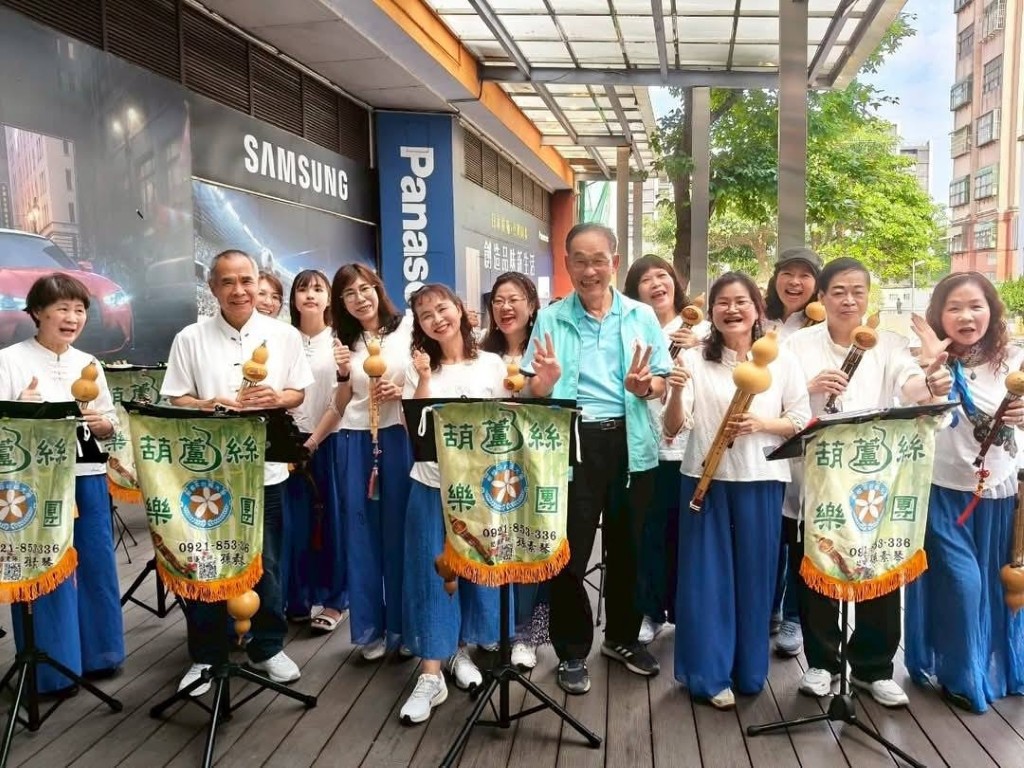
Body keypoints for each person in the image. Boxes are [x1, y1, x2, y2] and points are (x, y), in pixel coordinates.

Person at [782, 257, 951, 708]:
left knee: (879, 563)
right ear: (821, 297)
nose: (849, 300)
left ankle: (873, 668)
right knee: (818, 566)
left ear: (868, 296)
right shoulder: (798, 345)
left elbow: (913, 388)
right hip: (818, 482)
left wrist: (933, 379)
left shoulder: (888, 344)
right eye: (838, 291)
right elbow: (783, 399)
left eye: (858, 291)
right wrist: (809, 386)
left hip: (873, 483)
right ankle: (822, 663)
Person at [523, 223, 670, 696]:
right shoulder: (551, 318)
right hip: (572, 442)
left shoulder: (641, 315)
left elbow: (661, 381)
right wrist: (542, 384)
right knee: (569, 551)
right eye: (580, 261)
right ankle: (571, 650)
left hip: (631, 441)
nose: (590, 270)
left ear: (615, 262)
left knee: (629, 548)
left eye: (598, 260)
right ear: (567, 264)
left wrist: (645, 387)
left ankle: (622, 638)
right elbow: (531, 388)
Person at [162, 249, 313, 696]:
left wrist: (277, 398)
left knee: (268, 562)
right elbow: (176, 397)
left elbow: (298, 393)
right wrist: (207, 404)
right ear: (212, 288)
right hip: (207, 477)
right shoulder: (189, 337)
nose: (239, 290)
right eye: (227, 282)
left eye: (246, 280)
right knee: (203, 561)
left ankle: (268, 646)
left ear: (258, 282)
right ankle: (206, 654)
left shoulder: (284, 335)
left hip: (266, 471)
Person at [663, 272, 810, 710]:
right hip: (704, 481)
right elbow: (673, 428)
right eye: (722, 302)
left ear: (757, 309)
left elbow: (799, 419)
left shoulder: (781, 360)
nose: (732, 309)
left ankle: (748, 669)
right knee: (706, 580)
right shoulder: (694, 360)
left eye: (741, 301)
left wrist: (761, 424)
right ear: (711, 312)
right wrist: (674, 392)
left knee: (755, 577)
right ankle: (708, 675)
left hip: (761, 480)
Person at [0, 273, 125, 694]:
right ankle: (53, 669)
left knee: (95, 563)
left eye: (80, 310)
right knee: (45, 567)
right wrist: (18, 408)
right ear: (37, 312)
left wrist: (104, 424)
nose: (73, 318)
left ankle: (101, 655)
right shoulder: (9, 360)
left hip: (86, 474)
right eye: (62, 309)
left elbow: (110, 423)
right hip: (34, 484)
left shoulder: (89, 362)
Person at [905, 272, 1024, 712]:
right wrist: (930, 369)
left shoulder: (1013, 360)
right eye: (953, 308)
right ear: (939, 316)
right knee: (963, 585)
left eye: (975, 306)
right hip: (942, 492)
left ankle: (986, 668)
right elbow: (912, 400)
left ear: (992, 311)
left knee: (995, 587)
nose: (966, 316)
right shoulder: (923, 361)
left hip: (999, 494)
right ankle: (962, 677)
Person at [398, 284, 511, 724]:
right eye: (425, 315)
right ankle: (430, 674)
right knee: (433, 574)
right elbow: (414, 430)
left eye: (441, 308)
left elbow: (508, 420)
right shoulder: (417, 367)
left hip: (480, 489)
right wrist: (425, 377)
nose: (436, 319)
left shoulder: (493, 363)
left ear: (460, 310)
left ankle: (458, 652)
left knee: (475, 569)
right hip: (431, 485)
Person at [622, 255, 706, 646]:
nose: (657, 284)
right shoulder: (631, 328)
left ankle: (688, 610)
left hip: (693, 448)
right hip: (646, 447)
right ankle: (652, 611)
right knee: (650, 533)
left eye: (663, 276)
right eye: (646, 280)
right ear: (634, 291)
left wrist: (700, 344)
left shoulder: (702, 330)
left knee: (689, 536)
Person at [332, 264, 413, 660]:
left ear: (379, 289)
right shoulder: (344, 342)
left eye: (365, 289)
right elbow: (339, 404)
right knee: (361, 534)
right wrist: (342, 373)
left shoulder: (407, 328)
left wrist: (402, 391)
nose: (359, 298)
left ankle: (402, 626)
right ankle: (369, 630)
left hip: (398, 436)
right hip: (355, 438)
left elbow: (426, 378)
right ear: (342, 303)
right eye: (349, 293)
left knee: (400, 533)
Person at [481, 271, 549, 670]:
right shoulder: (480, 351)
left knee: (529, 543)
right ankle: (494, 623)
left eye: (514, 299)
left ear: (532, 305)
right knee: (494, 542)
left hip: (535, 464)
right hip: (489, 465)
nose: (505, 308)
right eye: (498, 301)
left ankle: (526, 633)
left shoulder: (544, 350)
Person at [763, 247, 823, 657]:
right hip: (763, 440)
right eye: (788, 273)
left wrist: (807, 388)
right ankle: (768, 605)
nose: (795, 282)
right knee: (772, 533)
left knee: (800, 533)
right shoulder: (761, 320)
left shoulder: (821, 328)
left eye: (805, 275)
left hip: (805, 444)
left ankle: (794, 617)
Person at [281, 269, 347, 631]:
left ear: (329, 299)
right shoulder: (281, 339)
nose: (310, 294)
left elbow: (341, 399)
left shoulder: (339, 341)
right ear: (293, 298)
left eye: (318, 289)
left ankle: (336, 601)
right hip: (287, 443)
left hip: (329, 439)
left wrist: (314, 441)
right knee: (294, 525)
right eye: (303, 289)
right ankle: (298, 598)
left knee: (332, 522)